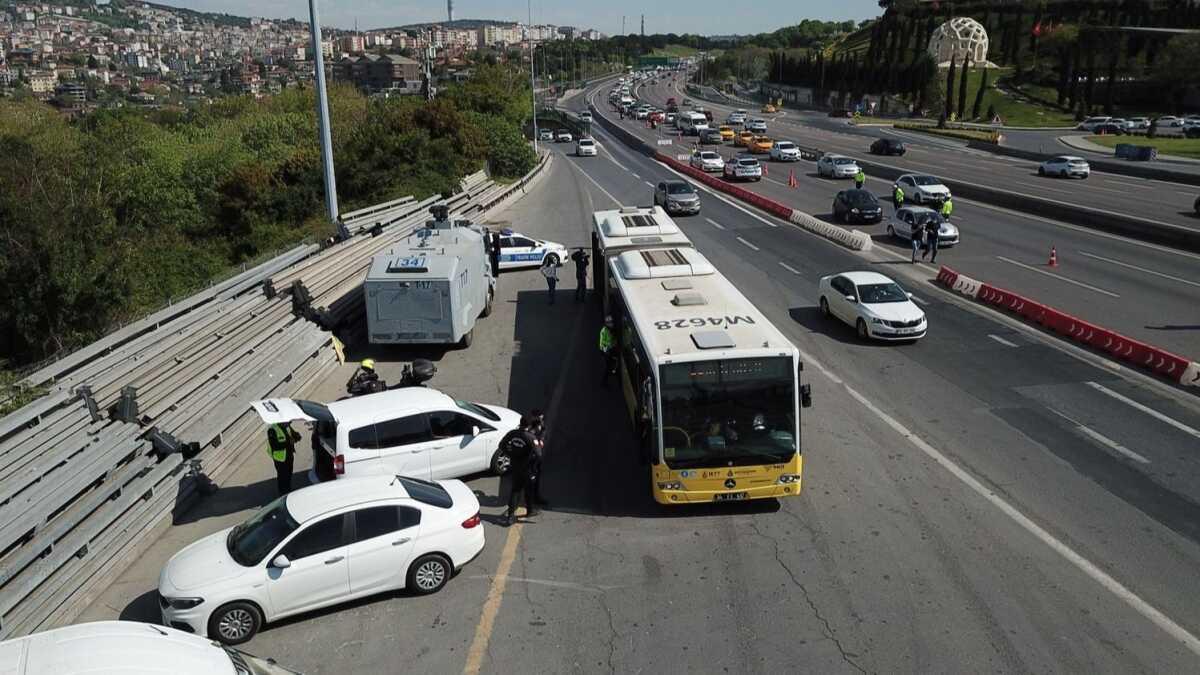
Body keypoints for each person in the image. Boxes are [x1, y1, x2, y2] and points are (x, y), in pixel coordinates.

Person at [500, 415, 541, 526]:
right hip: (527, 469)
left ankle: (510, 516)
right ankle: (530, 511)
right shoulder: (531, 437)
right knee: (529, 490)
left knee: (515, 490)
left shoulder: (512, 433)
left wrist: (511, 454)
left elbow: (501, 445)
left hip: (515, 466)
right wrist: (533, 465)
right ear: (528, 425)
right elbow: (538, 454)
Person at [266, 421, 301, 495]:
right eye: (288, 422)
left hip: (289, 456)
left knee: (289, 474)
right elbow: (275, 446)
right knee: (282, 476)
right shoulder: (272, 430)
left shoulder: (287, 427)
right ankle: (282, 494)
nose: (289, 424)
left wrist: (297, 437)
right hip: (280, 459)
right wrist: (289, 442)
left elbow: (295, 435)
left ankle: (288, 490)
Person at [599, 316, 616, 387]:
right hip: (606, 352)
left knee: (613, 362)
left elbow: (613, 339)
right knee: (607, 368)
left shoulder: (611, 330)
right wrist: (606, 349)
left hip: (612, 349)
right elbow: (601, 344)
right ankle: (604, 382)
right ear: (607, 324)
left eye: (612, 322)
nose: (611, 324)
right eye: (610, 323)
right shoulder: (604, 331)